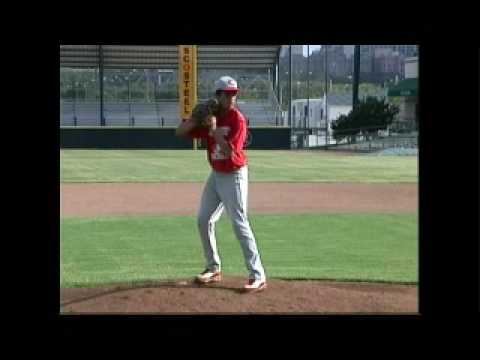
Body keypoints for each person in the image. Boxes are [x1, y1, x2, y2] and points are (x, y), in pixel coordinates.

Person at [175, 76, 267, 293]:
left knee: (239, 223)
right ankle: (213, 267)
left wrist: (214, 129)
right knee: (203, 219)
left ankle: (258, 275)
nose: (232, 98)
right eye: (228, 94)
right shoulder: (210, 116)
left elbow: (229, 152)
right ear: (218, 96)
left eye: (234, 94)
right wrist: (195, 120)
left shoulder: (238, 120)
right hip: (216, 175)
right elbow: (179, 132)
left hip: (234, 175)